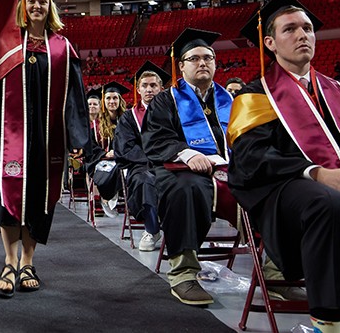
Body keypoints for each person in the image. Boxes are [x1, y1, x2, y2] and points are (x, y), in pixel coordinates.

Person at [227, 0, 340, 333]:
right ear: (271, 42)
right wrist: (318, 173)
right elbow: (252, 159)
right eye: (290, 29)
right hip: (287, 195)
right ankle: (328, 322)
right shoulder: (254, 96)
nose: (302, 36)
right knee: (331, 204)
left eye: (307, 28)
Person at [0, 0, 89, 298]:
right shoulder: (5, 44)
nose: (37, 6)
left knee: (40, 198)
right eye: (31, 1)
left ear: (51, 7)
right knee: (8, 191)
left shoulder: (63, 48)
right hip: (8, 132)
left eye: (43, 1)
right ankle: (9, 260)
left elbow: (75, 97)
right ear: (23, 4)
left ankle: (28, 260)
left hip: (48, 136)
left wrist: (77, 140)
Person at [142, 28, 233, 306]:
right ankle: (183, 272)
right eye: (194, 58)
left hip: (230, 170)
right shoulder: (165, 99)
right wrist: (185, 151)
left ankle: (276, 271)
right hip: (180, 170)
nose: (202, 62)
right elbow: (156, 139)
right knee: (186, 188)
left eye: (208, 57)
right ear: (181, 66)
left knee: (274, 183)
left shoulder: (230, 100)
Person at [115, 61, 168, 251]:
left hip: (171, 162)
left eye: (153, 85)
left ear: (161, 88)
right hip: (142, 164)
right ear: (138, 89)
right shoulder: (129, 117)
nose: (149, 89)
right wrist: (152, 159)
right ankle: (152, 229)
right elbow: (126, 146)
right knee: (144, 181)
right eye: (144, 86)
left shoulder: (174, 111)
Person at [87, 81, 129, 218]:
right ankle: (108, 197)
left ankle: (111, 197)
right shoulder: (96, 124)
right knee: (112, 169)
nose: (112, 101)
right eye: (108, 98)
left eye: (115, 98)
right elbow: (91, 147)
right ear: (103, 101)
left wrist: (120, 153)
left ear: (120, 100)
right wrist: (105, 153)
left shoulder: (127, 120)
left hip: (124, 158)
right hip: (102, 160)